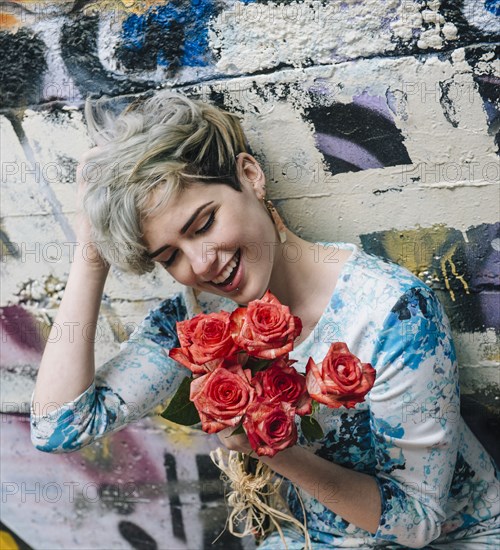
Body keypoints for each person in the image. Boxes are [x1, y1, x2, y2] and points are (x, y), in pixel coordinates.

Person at [30, 90, 499, 549]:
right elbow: (59, 427)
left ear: (250, 176)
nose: (201, 263)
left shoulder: (392, 312)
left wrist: (270, 449)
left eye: (204, 224)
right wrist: (91, 254)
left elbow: (418, 524)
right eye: (170, 255)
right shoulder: (201, 319)